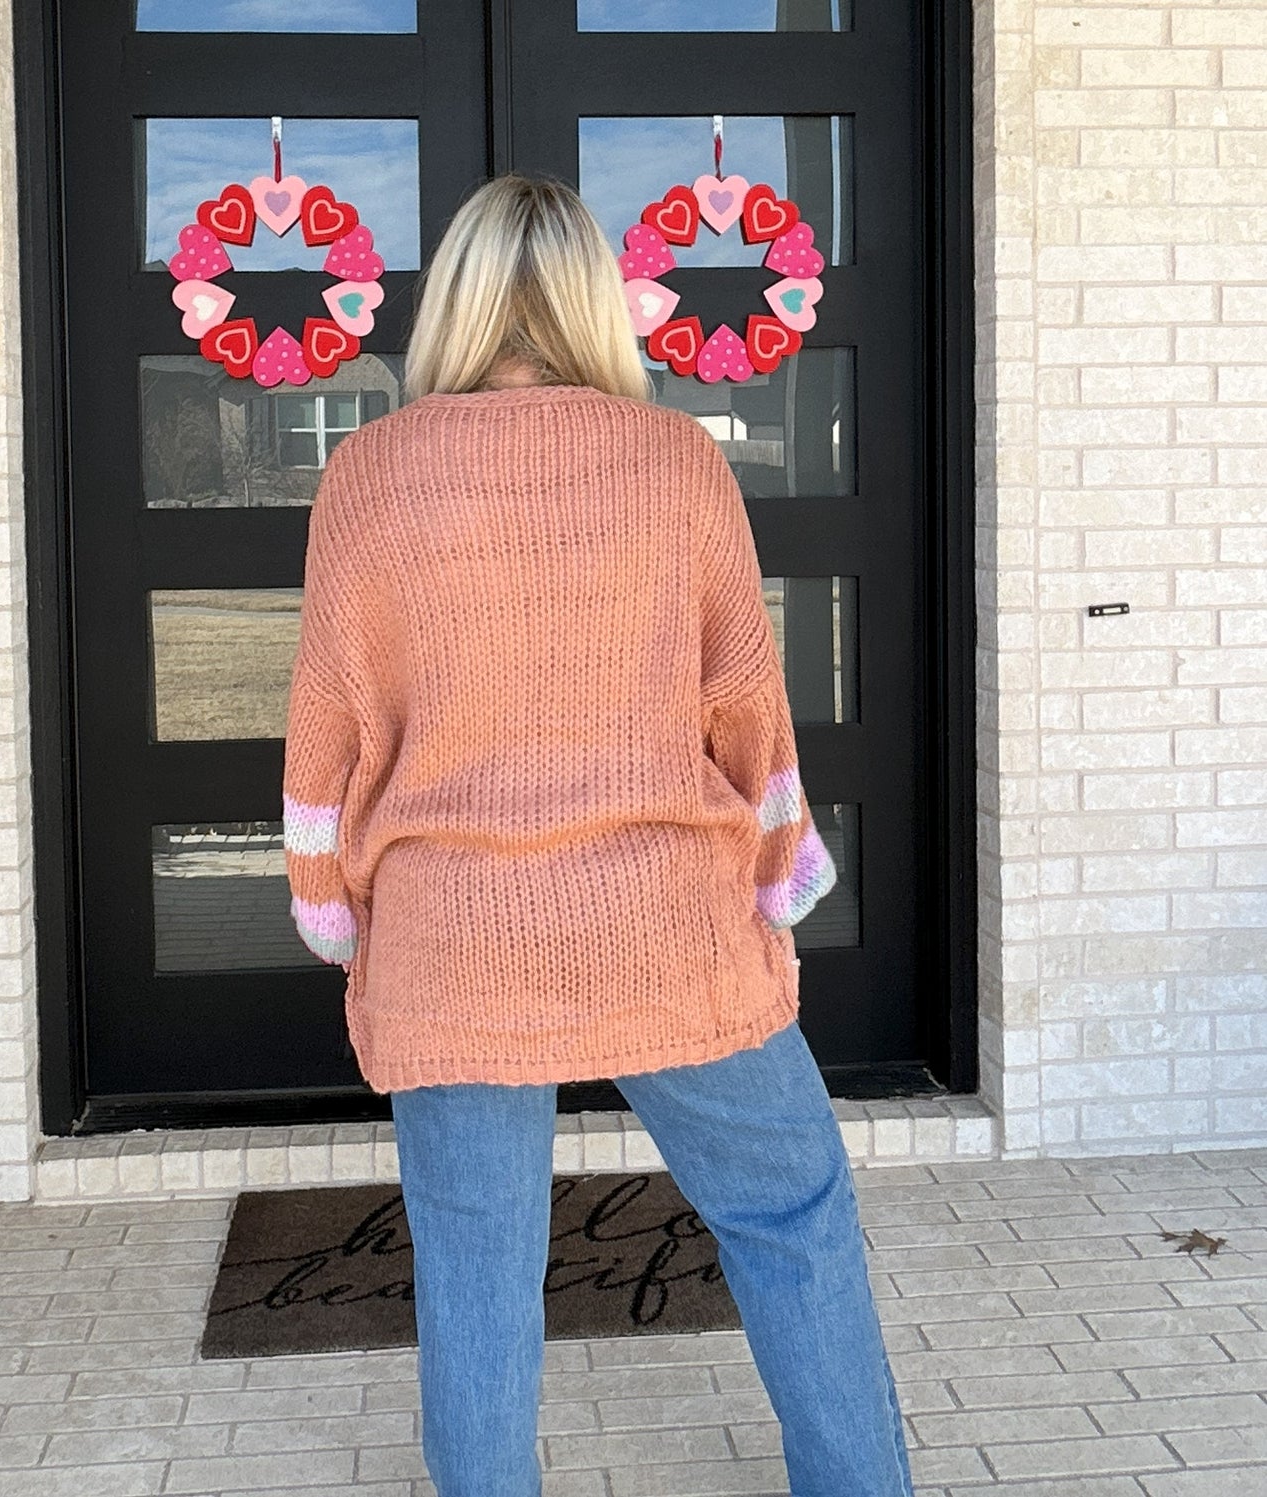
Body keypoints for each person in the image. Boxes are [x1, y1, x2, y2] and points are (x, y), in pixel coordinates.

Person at [281, 173, 913, 1497]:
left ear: (453, 303)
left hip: (452, 942)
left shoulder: (366, 473)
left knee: (473, 1264)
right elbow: (746, 708)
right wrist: (779, 879)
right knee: (791, 1211)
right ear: (592, 301)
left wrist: (333, 911)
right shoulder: (676, 461)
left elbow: (326, 728)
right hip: (668, 925)